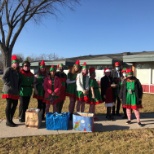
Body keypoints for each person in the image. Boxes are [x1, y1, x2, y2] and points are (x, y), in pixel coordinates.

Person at [2, 55, 20, 127]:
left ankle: (10, 119)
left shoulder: (17, 72)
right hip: (9, 90)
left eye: (17, 63)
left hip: (15, 91)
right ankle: (8, 121)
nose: (16, 64)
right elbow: (3, 78)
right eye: (15, 63)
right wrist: (9, 84)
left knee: (15, 105)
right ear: (12, 63)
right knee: (9, 105)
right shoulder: (9, 69)